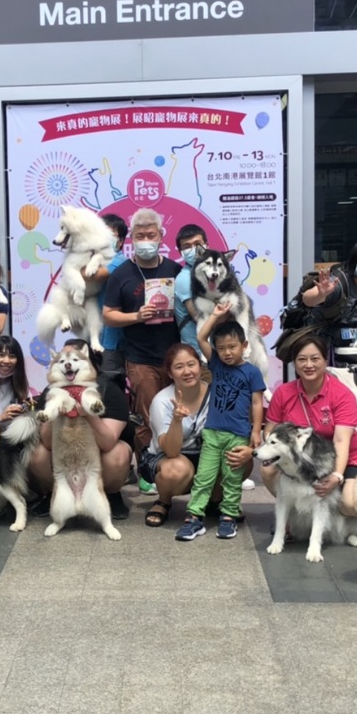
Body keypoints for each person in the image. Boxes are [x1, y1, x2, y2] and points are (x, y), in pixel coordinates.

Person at [175, 303, 265, 541]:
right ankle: (194, 517)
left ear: (244, 345)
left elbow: (257, 404)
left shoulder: (252, 373)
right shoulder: (216, 363)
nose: (227, 353)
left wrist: (256, 431)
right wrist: (215, 315)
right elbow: (201, 337)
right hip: (212, 434)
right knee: (203, 478)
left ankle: (228, 516)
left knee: (232, 479)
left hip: (238, 435)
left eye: (232, 347)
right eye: (222, 348)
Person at [261, 333, 357, 519]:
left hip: (343, 458)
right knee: (268, 470)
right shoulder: (283, 393)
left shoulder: (342, 395)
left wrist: (337, 475)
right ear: (294, 363)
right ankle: (291, 515)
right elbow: (269, 430)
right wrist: (281, 451)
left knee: (350, 505)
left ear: (325, 361)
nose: (308, 365)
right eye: (302, 359)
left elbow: (341, 440)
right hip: (299, 459)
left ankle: (334, 516)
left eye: (315, 359)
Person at [102, 208, 180, 463]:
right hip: (140, 358)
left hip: (174, 357)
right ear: (132, 239)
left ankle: (175, 464)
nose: (146, 241)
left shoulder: (175, 270)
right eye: (140, 236)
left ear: (161, 236)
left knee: (178, 413)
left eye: (151, 235)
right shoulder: (121, 274)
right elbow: (108, 315)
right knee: (147, 416)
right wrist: (136, 316)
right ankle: (148, 467)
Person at [29, 339, 133, 521]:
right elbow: (47, 442)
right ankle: (55, 495)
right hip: (63, 453)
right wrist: (55, 414)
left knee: (119, 453)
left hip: (96, 455)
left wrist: (88, 414)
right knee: (37, 454)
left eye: (73, 359)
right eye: (62, 360)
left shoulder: (109, 389)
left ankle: (111, 494)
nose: (67, 364)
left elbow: (108, 442)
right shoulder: (51, 391)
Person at [98, 213, 129, 396]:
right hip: (94, 336)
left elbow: (91, 276)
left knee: (109, 390)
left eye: (110, 235)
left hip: (111, 341)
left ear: (120, 241)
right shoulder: (94, 259)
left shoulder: (118, 262)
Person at [173, 223, 208, 354]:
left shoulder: (215, 273)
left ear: (207, 245)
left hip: (218, 350)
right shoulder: (185, 279)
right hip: (198, 353)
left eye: (198, 243)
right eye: (187, 246)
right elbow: (200, 318)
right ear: (180, 252)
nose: (194, 249)